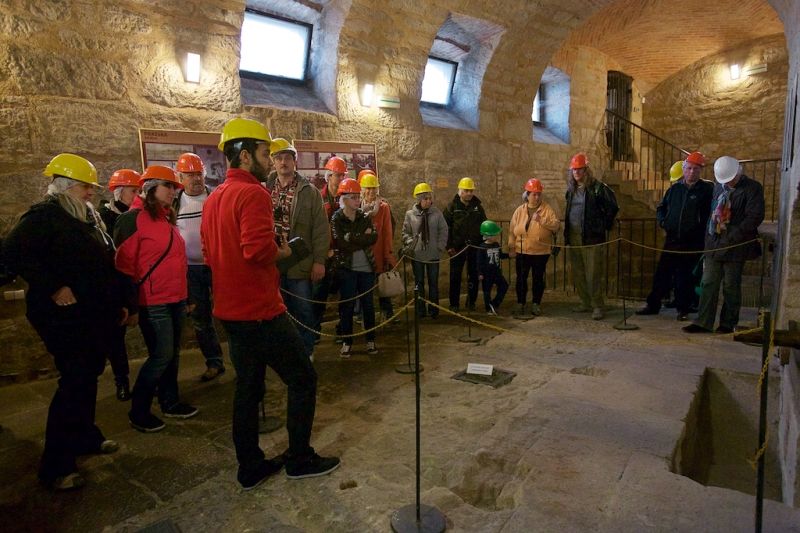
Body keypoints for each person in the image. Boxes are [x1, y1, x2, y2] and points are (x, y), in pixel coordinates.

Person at [201, 117, 339, 490]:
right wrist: (287, 250)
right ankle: (299, 458)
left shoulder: (214, 198)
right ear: (245, 155)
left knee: (248, 389)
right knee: (303, 379)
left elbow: (209, 253)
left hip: (229, 311)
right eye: (265, 153)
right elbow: (258, 251)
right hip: (260, 311)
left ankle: (250, 467)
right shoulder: (253, 193)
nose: (270, 160)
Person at [3, 153, 125, 490]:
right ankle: (55, 466)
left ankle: (85, 436)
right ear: (66, 186)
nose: (91, 193)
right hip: (63, 318)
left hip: (89, 314)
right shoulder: (45, 215)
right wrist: (54, 286)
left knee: (88, 376)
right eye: (86, 187)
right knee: (74, 380)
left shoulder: (81, 215)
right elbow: (12, 252)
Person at [115, 165, 199, 433]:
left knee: (171, 355)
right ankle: (138, 411)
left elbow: (178, 261)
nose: (173, 192)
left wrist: (187, 295)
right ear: (150, 188)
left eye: (174, 187)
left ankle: (169, 401)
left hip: (175, 298)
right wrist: (130, 306)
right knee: (161, 355)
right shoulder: (132, 219)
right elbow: (123, 268)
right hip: (153, 301)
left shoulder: (165, 218)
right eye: (168, 186)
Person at [683, 156, 765, 334]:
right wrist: (710, 237)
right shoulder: (719, 186)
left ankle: (727, 323)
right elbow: (713, 211)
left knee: (730, 286)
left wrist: (733, 234)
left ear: (738, 173)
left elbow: (755, 216)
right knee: (708, 283)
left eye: (730, 179)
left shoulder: (753, 188)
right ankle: (703, 322)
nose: (727, 183)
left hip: (735, 246)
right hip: (714, 243)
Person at [266, 138, 329, 361]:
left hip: (299, 263)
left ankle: (307, 351)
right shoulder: (264, 190)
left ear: (295, 161)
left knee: (303, 310)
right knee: (278, 313)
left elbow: (321, 229)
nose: (283, 162)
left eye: (287, 158)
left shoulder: (309, 192)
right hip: (272, 263)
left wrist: (319, 261)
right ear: (273, 162)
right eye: (279, 158)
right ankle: (286, 352)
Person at [636, 152, 713, 321]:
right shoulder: (674, 189)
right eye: (689, 168)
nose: (692, 172)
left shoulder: (706, 190)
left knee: (685, 277)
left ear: (700, 171)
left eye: (696, 169)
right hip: (672, 240)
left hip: (692, 242)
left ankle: (682, 309)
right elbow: (661, 208)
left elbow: (710, 214)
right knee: (662, 274)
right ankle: (653, 305)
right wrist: (663, 222)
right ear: (684, 169)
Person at [174, 152, 225, 381]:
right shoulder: (174, 203)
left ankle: (244, 361)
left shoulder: (216, 198)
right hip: (190, 270)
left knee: (230, 312)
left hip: (217, 265)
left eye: (199, 174)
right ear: (180, 178)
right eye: (190, 175)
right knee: (201, 318)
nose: (196, 179)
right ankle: (214, 362)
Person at [98, 168, 141, 401]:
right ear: (119, 192)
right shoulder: (103, 218)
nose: (138, 195)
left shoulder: (138, 215)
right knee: (115, 339)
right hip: (115, 286)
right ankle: (121, 380)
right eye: (133, 191)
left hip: (137, 282)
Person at [563, 153, 619, 320]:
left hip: (592, 238)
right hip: (574, 236)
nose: (576, 172)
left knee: (593, 273)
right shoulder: (571, 190)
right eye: (574, 170)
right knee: (579, 272)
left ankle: (597, 305)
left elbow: (612, 207)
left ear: (586, 170)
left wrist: (603, 226)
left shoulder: (598, 188)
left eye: (580, 169)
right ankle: (585, 302)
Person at [331, 178, 379, 357]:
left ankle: (370, 340)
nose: (358, 200)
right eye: (353, 197)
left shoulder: (364, 217)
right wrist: (360, 237)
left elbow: (373, 238)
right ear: (344, 199)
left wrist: (351, 236)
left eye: (358, 197)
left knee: (368, 306)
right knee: (347, 306)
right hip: (347, 269)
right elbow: (341, 243)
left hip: (366, 268)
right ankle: (347, 342)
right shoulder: (337, 218)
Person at [508, 178, 560, 318]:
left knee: (538, 279)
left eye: (539, 194)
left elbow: (556, 225)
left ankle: (536, 303)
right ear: (527, 195)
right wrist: (511, 247)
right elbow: (512, 230)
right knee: (521, 278)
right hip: (522, 251)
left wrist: (541, 220)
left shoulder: (546, 209)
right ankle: (521, 302)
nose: (536, 197)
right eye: (534, 194)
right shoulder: (519, 211)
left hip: (540, 252)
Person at [312, 156, 347, 342]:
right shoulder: (318, 197)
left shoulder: (346, 197)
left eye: (342, 175)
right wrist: (323, 251)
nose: (340, 179)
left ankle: (343, 329)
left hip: (343, 253)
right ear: (329, 176)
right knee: (319, 294)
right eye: (337, 175)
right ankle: (315, 330)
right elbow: (315, 227)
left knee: (344, 294)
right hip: (325, 254)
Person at [402, 183, 448, 318]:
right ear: (419, 200)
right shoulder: (410, 215)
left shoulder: (437, 213)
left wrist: (440, 246)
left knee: (433, 283)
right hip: (418, 255)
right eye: (425, 198)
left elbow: (443, 230)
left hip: (433, 253)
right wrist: (412, 243)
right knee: (419, 283)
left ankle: (434, 310)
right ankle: (420, 310)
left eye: (429, 198)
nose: (428, 201)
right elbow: (405, 233)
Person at [444, 177, 486, 312]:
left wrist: (483, 244)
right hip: (457, 248)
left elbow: (484, 225)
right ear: (460, 191)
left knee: (473, 275)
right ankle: (454, 304)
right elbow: (445, 229)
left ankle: (471, 301)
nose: (469, 193)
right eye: (466, 190)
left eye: (471, 191)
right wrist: (449, 246)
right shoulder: (452, 207)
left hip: (474, 247)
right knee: (455, 276)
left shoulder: (478, 208)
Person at [359, 172, 397, 321]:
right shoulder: (357, 207)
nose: (371, 191)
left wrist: (388, 254)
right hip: (363, 254)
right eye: (368, 188)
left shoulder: (383, 207)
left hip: (379, 252)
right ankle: (365, 317)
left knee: (383, 286)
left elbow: (387, 232)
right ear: (362, 190)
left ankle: (387, 314)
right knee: (364, 289)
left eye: (373, 188)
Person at [475, 220, 509, 315]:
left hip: (496, 272)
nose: (496, 236)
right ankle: (488, 308)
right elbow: (479, 262)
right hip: (486, 273)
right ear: (488, 235)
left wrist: (509, 255)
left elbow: (500, 255)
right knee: (487, 291)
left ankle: (494, 303)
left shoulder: (496, 244)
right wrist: (480, 273)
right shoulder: (482, 247)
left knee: (504, 285)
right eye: (494, 234)